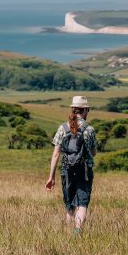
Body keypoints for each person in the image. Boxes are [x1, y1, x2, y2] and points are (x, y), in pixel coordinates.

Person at [45, 96, 97, 234]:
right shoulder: (89, 129)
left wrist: (51, 177)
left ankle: (67, 234)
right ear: (85, 110)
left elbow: (56, 154)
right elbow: (94, 152)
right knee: (82, 203)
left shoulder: (62, 128)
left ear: (73, 110)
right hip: (84, 170)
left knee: (69, 204)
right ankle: (77, 231)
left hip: (66, 170)